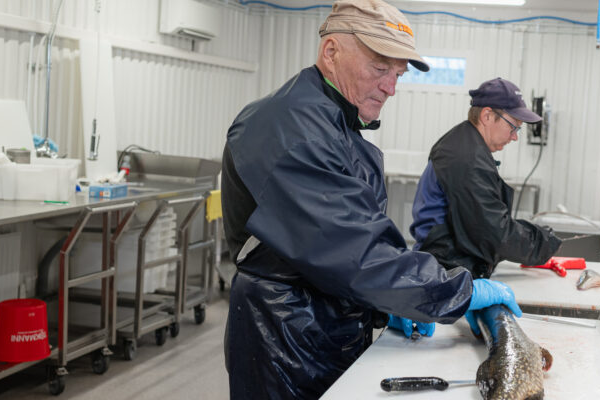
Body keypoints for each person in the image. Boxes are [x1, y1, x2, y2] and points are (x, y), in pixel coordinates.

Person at [221, 1, 523, 399]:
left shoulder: (333, 122)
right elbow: (355, 253)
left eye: (396, 75)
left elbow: (350, 240)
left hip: (323, 325)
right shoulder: (291, 128)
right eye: (380, 69)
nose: (390, 87)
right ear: (331, 53)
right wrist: (455, 291)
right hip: (287, 341)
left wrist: (387, 305)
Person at [409, 78, 563, 279]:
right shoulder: (467, 159)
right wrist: (542, 242)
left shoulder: (463, 145)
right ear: (487, 116)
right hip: (445, 273)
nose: (515, 136)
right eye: (513, 126)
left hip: (447, 264)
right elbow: (493, 234)